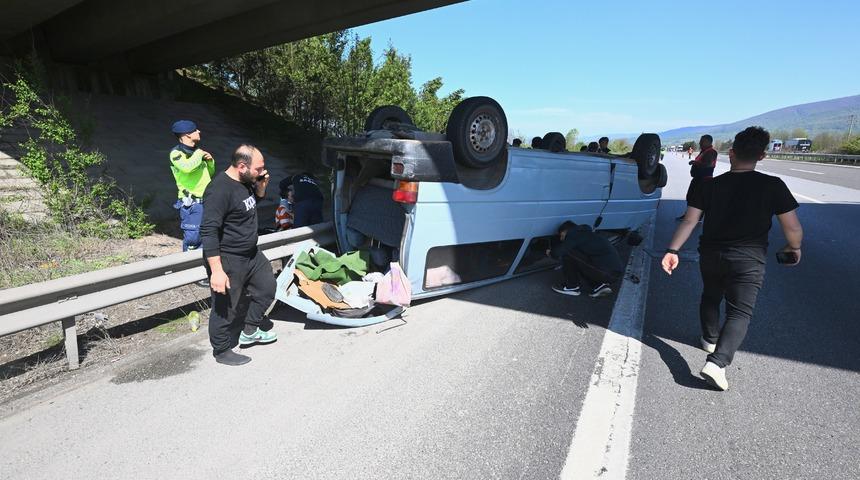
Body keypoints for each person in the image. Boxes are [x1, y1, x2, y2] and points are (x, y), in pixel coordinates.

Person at [661, 126, 803, 391]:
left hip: (711, 253)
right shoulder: (773, 186)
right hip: (748, 258)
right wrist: (794, 247)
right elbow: (792, 227)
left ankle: (709, 339)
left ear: (732, 153)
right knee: (739, 312)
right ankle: (717, 362)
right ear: (761, 156)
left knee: (711, 294)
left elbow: (690, 221)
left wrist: (673, 250)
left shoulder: (709, 185)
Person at [200, 144, 278, 366]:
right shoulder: (219, 191)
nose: (262, 172)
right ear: (242, 166)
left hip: (251, 254)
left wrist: (261, 188)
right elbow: (208, 231)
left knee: (267, 288)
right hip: (228, 258)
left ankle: (250, 330)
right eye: (258, 169)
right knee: (226, 306)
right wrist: (216, 271)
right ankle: (221, 350)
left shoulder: (246, 183)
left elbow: (247, 207)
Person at [168, 120, 215, 251]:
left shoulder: (197, 151)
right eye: (195, 130)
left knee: (208, 237)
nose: (199, 131)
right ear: (187, 134)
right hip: (192, 204)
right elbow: (187, 168)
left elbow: (209, 174)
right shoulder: (176, 153)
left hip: (207, 201)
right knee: (193, 241)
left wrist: (210, 162)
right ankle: (190, 263)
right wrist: (199, 155)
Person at [547, 220, 623, 298]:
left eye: (561, 235)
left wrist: (550, 252)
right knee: (580, 260)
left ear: (565, 232)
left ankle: (572, 287)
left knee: (568, 253)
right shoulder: (588, 235)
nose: (561, 239)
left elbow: (557, 253)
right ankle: (598, 286)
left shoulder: (574, 235)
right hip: (613, 273)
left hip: (606, 273)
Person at [676, 134, 718, 221]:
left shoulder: (711, 152)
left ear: (708, 142)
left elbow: (708, 164)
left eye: (702, 141)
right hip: (698, 178)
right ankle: (691, 215)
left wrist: (694, 163)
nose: (700, 143)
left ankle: (695, 217)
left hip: (704, 179)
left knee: (696, 198)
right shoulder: (704, 151)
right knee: (691, 196)